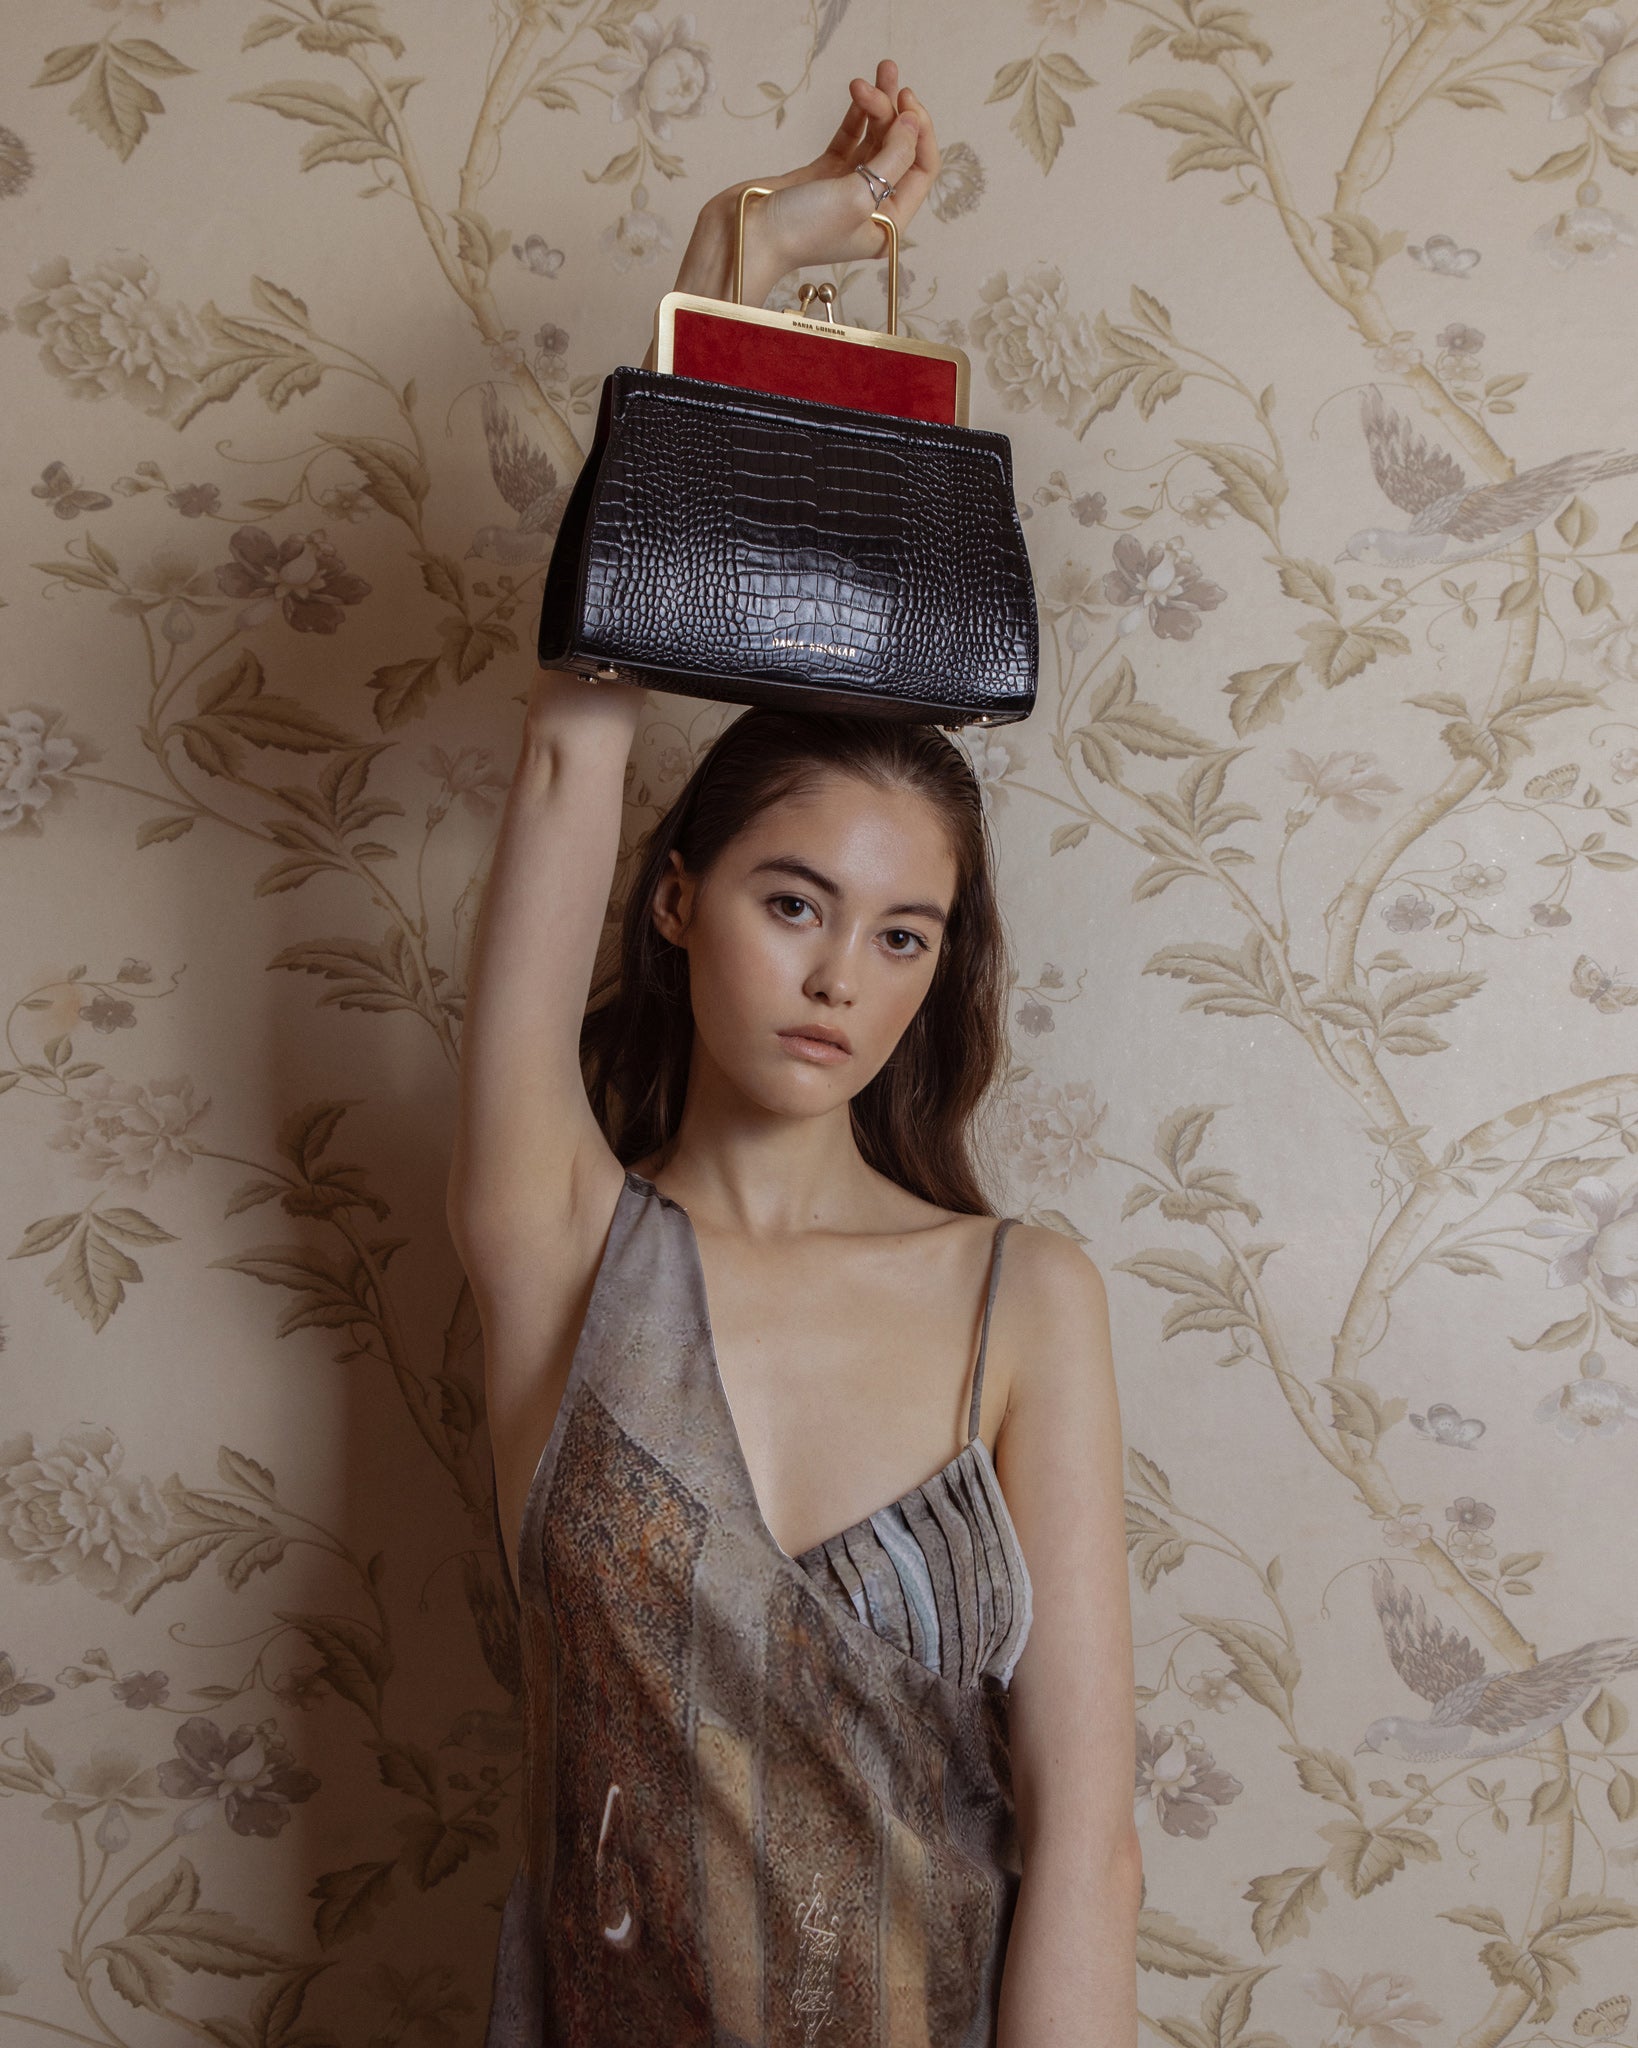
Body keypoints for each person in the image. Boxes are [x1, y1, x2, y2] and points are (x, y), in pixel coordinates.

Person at [446, 56, 1141, 2047]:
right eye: (790, 900)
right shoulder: (559, 1244)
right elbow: (572, 737)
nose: (844, 973)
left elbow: (1086, 1849)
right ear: (675, 900)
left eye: (902, 933)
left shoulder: (1021, 1293)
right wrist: (725, 277)